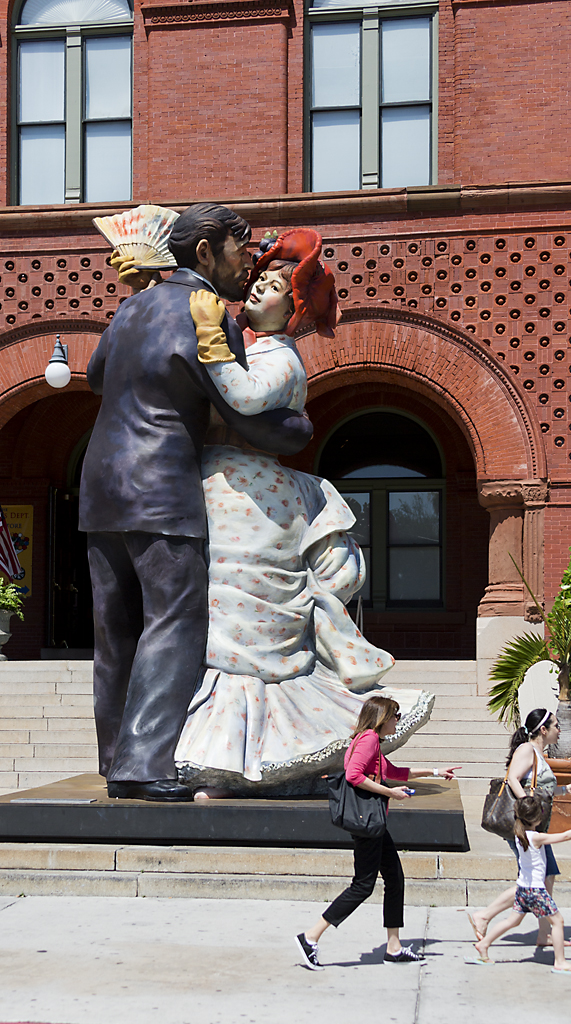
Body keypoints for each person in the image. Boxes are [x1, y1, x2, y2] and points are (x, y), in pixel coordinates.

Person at [174, 230, 431, 793]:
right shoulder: (249, 345)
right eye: (258, 283)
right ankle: (231, 756)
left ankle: (257, 758)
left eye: (273, 288)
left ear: (294, 310)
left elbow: (242, 397)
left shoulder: (281, 358)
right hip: (225, 488)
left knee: (248, 623)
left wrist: (208, 340)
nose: (258, 292)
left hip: (254, 495)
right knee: (225, 619)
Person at [79, 204, 314, 802]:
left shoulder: (132, 307)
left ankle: (115, 759)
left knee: (116, 631)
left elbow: (96, 374)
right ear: (206, 252)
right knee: (175, 620)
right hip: (161, 487)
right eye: (242, 250)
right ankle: (145, 761)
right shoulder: (208, 312)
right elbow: (237, 408)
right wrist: (294, 430)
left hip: (101, 484)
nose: (251, 262)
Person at [294, 695, 458, 970]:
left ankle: (393, 948)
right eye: (396, 716)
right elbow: (353, 776)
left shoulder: (368, 740)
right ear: (383, 716)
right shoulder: (368, 739)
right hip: (367, 824)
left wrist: (435, 771)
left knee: (394, 878)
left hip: (373, 825)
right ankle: (310, 937)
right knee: (362, 886)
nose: (398, 721)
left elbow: (392, 770)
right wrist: (390, 792)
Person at [469, 708, 571, 947]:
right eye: (556, 726)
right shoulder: (527, 749)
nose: (559, 731)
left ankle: (543, 934)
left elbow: (539, 789)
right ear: (543, 730)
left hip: (535, 826)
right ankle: (484, 915)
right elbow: (513, 780)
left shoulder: (538, 753)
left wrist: (564, 790)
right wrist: (528, 810)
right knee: (533, 880)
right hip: (525, 825)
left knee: (545, 877)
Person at [466, 795, 571, 971]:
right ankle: (560, 962)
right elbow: (564, 836)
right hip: (536, 891)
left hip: (522, 889)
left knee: (512, 922)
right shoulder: (536, 837)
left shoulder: (519, 834)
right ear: (537, 818)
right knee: (558, 922)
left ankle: (484, 945)